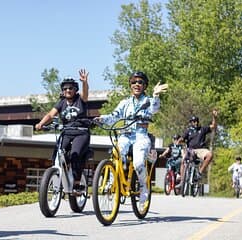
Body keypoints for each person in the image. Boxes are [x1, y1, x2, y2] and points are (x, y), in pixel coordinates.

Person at [94, 71, 168, 210]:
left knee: (139, 162)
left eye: (140, 82)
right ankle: (111, 181)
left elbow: (155, 109)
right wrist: (102, 118)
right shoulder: (125, 103)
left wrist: (156, 95)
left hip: (141, 136)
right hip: (125, 134)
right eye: (134, 82)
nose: (137, 85)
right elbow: (114, 116)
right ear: (130, 85)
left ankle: (143, 188)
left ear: (145, 86)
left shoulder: (148, 101)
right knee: (117, 153)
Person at [35, 69, 90, 194]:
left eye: (70, 88)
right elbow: (50, 114)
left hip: (81, 132)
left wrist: (84, 83)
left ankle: (76, 183)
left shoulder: (80, 100)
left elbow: (85, 94)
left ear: (75, 89)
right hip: (67, 132)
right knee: (58, 154)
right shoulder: (61, 103)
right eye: (65, 88)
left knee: (75, 154)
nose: (68, 90)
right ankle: (58, 175)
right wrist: (41, 124)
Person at [179, 110, 218, 180]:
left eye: (196, 121)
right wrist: (180, 141)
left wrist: (214, 117)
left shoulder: (203, 129)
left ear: (198, 122)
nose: (195, 123)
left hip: (200, 150)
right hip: (190, 150)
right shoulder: (188, 131)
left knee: (210, 155)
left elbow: (213, 126)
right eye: (193, 121)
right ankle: (182, 181)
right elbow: (182, 138)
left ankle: (199, 172)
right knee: (183, 161)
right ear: (191, 123)